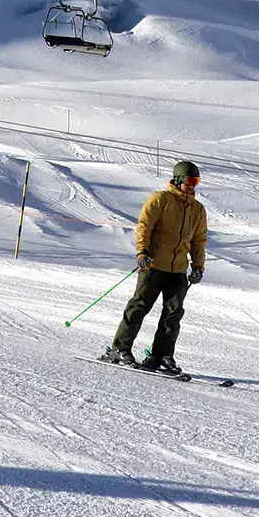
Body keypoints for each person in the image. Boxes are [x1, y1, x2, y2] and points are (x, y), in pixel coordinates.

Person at [103, 160, 207, 375]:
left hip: (178, 269)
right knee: (139, 306)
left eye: (196, 181)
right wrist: (142, 252)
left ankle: (161, 354)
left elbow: (199, 241)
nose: (193, 185)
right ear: (178, 180)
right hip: (154, 264)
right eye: (189, 180)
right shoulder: (160, 199)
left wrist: (198, 267)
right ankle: (120, 348)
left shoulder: (198, 209)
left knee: (173, 313)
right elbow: (144, 227)